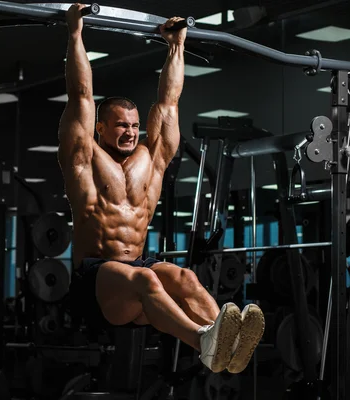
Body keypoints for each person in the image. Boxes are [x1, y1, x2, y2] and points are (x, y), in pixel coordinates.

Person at [58, 3, 265, 374]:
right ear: (100, 128)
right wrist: (76, 32)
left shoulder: (150, 160)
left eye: (134, 125)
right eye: (120, 125)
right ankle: (204, 340)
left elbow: (168, 103)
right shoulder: (84, 161)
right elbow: (81, 97)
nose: (130, 131)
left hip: (138, 273)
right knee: (146, 277)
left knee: (183, 277)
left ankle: (229, 343)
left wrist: (176, 46)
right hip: (97, 281)